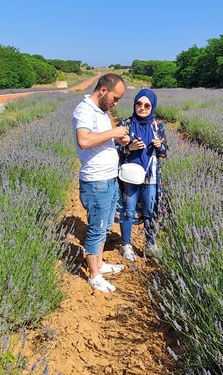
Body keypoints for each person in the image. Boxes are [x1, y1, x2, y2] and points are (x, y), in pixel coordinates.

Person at [72, 73, 129, 293]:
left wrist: (117, 139)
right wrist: (114, 132)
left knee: (105, 227)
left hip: (109, 178)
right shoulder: (85, 110)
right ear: (103, 90)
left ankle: (100, 264)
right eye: (115, 98)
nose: (116, 103)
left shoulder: (102, 111)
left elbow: (100, 139)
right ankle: (93, 275)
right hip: (96, 182)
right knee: (96, 229)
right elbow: (84, 140)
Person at [119, 88, 168, 260]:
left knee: (150, 211)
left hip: (151, 177)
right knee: (128, 211)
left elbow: (165, 152)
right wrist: (128, 148)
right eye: (138, 104)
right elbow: (113, 149)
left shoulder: (157, 126)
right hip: (130, 177)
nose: (142, 108)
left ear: (152, 107)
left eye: (147, 105)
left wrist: (159, 146)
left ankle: (150, 244)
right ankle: (126, 244)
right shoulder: (125, 123)